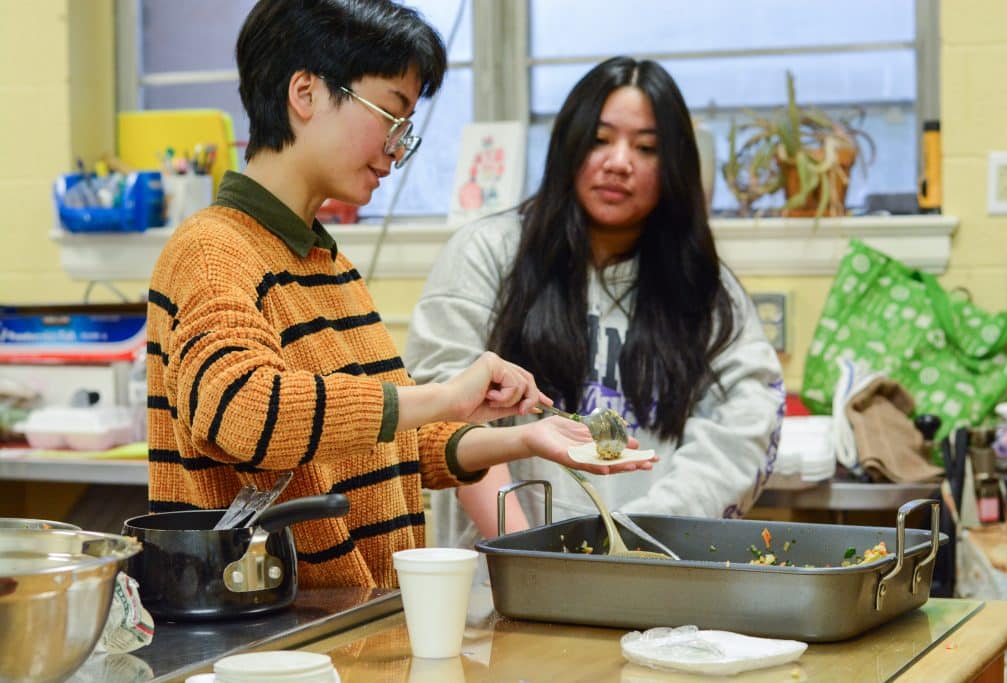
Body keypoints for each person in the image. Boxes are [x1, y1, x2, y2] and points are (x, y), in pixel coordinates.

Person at [145, 1, 650, 590]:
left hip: (360, 616)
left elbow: (388, 446)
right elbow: (244, 412)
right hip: (266, 626)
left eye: (406, 128)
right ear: (305, 93)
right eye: (391, 114)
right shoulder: (212, 252)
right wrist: (442, 398)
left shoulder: (329, 266)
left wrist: (521, 437)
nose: (397, 148)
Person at [406, 56, 785, 549]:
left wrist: (635, 542)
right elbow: (447, 416)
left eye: (646, 147)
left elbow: (745, 424)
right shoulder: (487, 254)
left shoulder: (706, 287)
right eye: (601, 139)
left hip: (653, 568)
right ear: (569, 144)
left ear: (674, 166)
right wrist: (527, 555)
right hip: (502, 576)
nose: (619, 162)